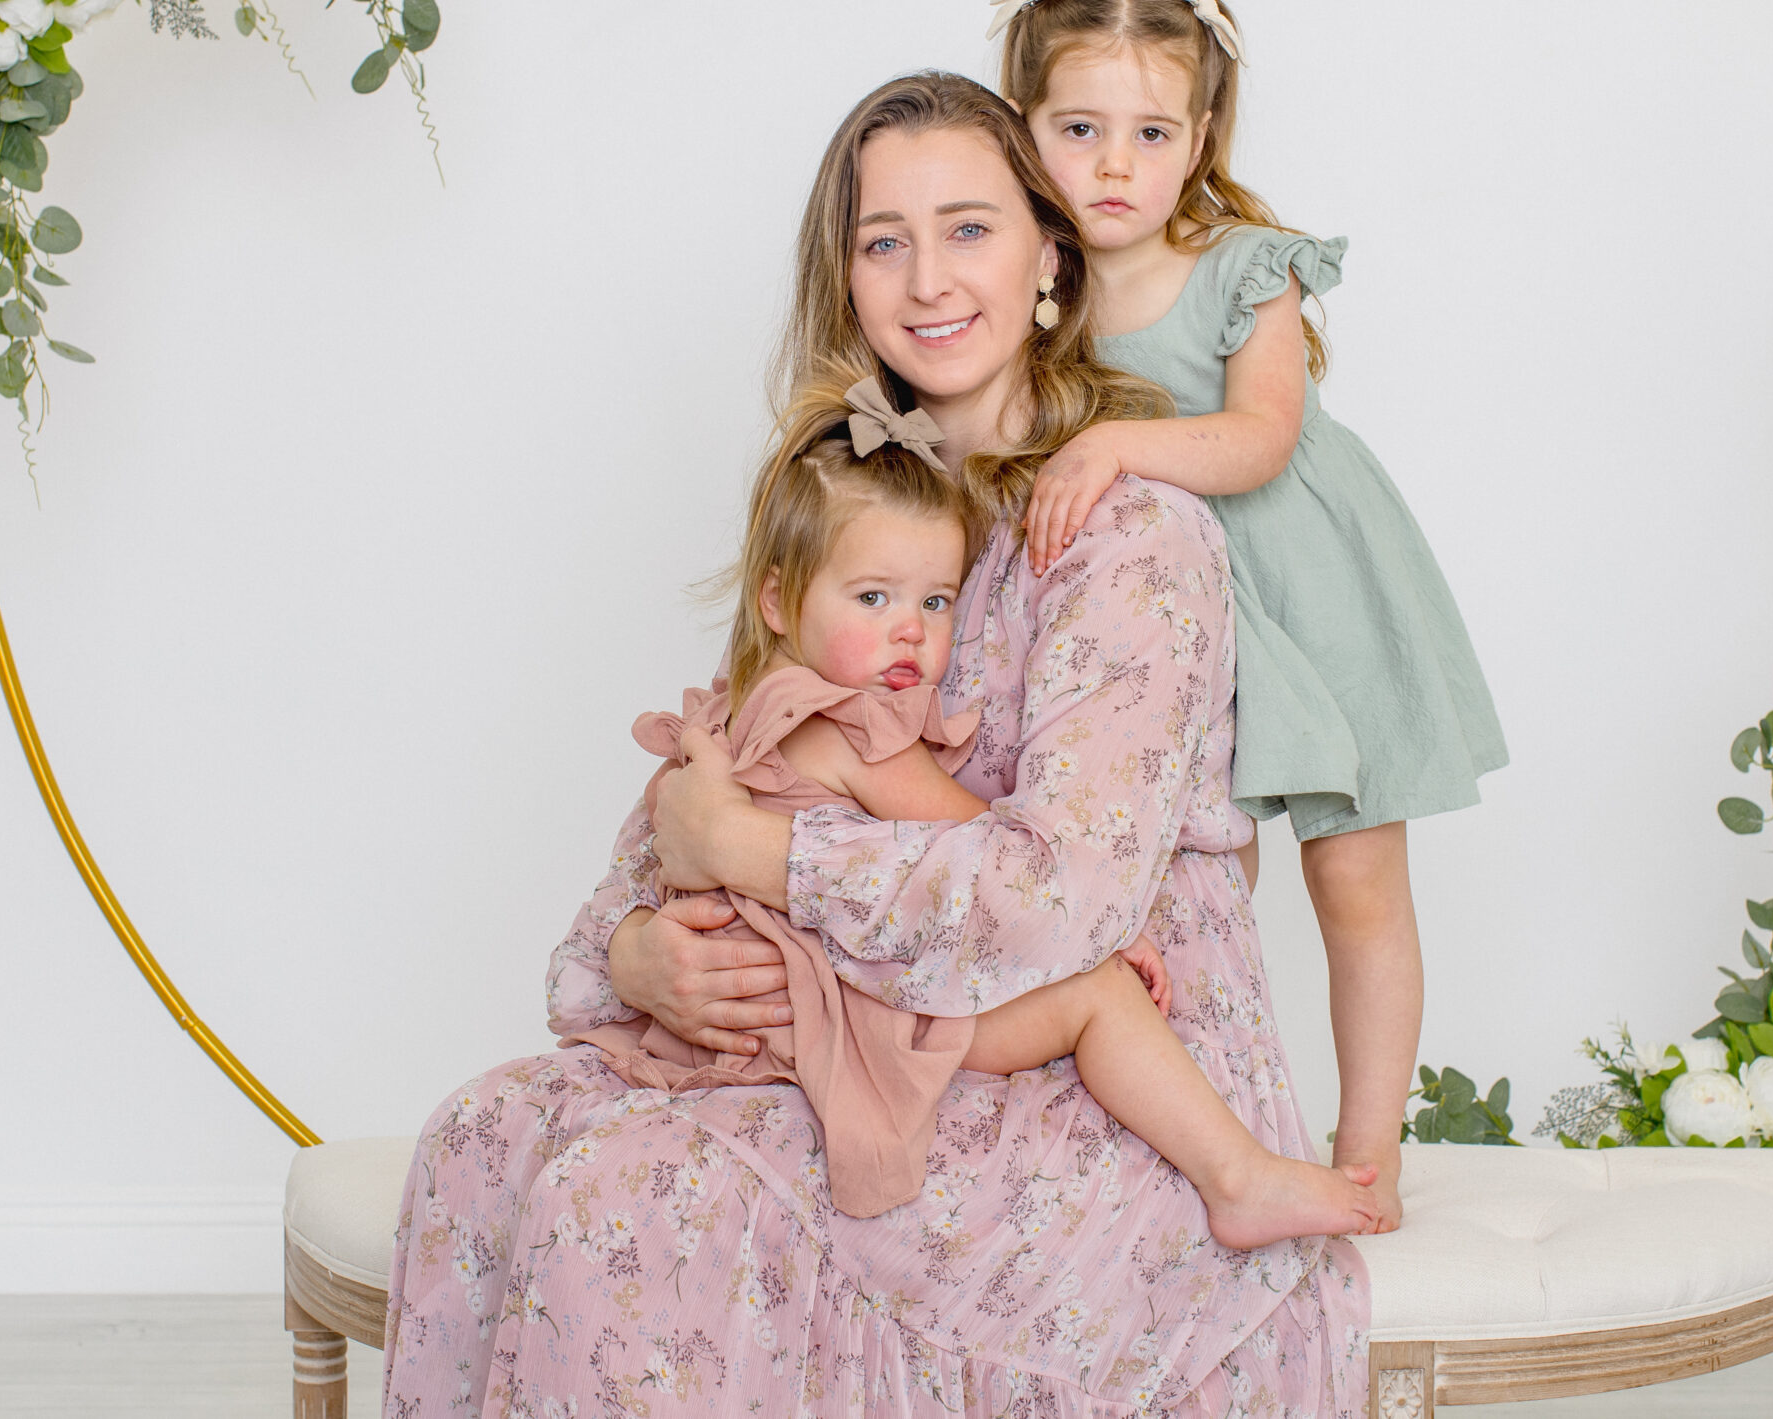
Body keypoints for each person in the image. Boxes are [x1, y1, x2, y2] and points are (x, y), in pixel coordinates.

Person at [382, 71, 1373, 1414]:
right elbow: (727, 782)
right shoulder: (843, 510)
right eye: (882, 239)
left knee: (628, 1195)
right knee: (483, 1135)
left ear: (1048, 256)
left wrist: (764, 854)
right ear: (842, 276)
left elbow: (1058, 899)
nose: (925, 279)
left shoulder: (1132, 535)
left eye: (968, 227)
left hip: (1095, 1056)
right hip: (851, 1015)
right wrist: (635, 947)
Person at [570, 375, 1381, 1247]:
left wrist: (640, 933)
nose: (911, 631)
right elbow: (970, 830)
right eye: (873, 598)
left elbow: (652, 859)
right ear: (778, 599)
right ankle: (1240, 1177)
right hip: (851, 1002)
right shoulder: (852, 724)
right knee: (1099, 995)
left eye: (935, 600)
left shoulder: (735, 710)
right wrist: (1107, 928)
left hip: (773, 1008)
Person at [989, 0, 1509, 1230]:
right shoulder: (1029, 288)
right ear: (1022, 129)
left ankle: (1366, 1158)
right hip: (1174, 634)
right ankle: (1223, 1139)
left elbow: (1258, 439)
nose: (1114, 164)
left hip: (1310, 595)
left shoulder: (1244, 267)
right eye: (1078, 129)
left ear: (1201, 137)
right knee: (1200, 897)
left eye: (1151, 132)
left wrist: (1111, 442)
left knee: (1358, 883)